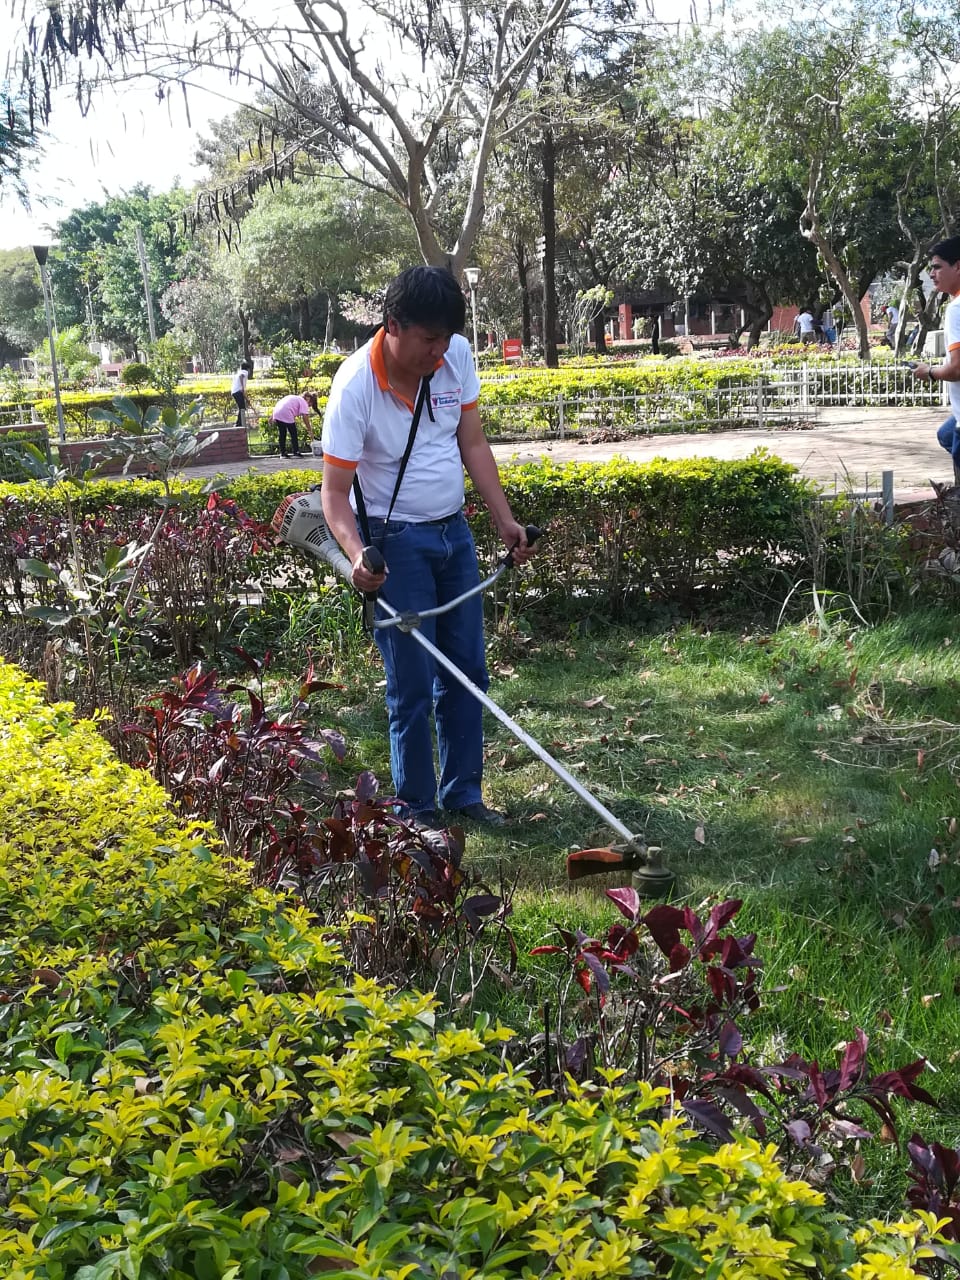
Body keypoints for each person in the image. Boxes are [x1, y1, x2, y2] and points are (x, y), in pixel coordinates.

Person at [320, 265, 534, 829]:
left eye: (446, 340)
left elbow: (472, 440)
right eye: (428, 340)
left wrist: (504, 517)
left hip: (453, 535)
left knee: (467, 672)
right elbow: (335, 496)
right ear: (393, 325)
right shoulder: (354, 388)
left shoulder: (455, 356)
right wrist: (357, 554)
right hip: (398, 546)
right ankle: (416, 809)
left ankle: (464, 795)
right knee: (411, 683)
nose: (439, 353)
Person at [912, 236, 960, 483]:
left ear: (958, 266)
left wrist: (929, 372)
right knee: (945, 434)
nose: (931, 274)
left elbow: (956, 369)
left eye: (937, 266)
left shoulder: (956, 309)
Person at [271, 391, 318, 457]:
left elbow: (281, 404)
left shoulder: (295, 398)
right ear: (308, 399)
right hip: (287, 412)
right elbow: (305, 417)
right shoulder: (303, 402)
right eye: (310, 404)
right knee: (293, 433)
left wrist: (272, 416)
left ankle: (283, 453)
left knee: (282, 433)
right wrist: (310, 430)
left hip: (277, 412)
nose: (309, 406)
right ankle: (296, 452)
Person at [231, 359, 253, 428]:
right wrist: (243, 388)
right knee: (242, 408)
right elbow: (241, 376)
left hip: (235, 392)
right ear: (248, 369)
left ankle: (239, 423)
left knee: (242, 407)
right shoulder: (244, 372)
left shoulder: (239, 372)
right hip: (238, 392)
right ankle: (239, 424)